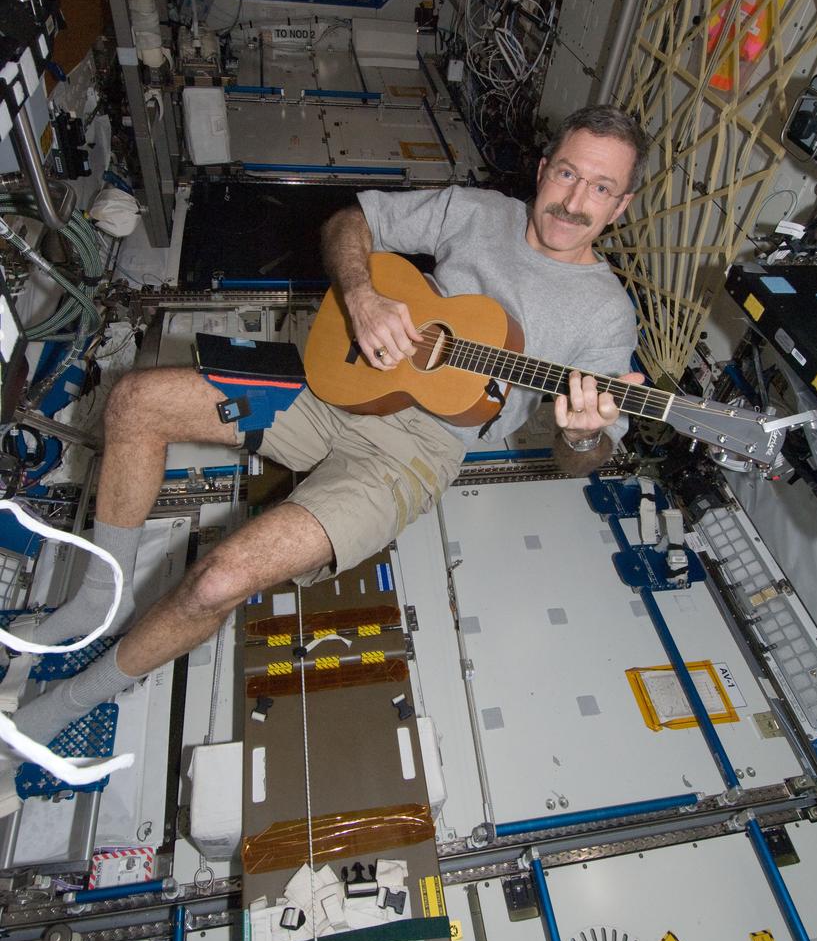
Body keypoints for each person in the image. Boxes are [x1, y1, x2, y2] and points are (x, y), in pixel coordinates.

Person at [10, 105, 648, 751]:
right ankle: (99, 600)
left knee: (218, 581)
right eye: (567, 174)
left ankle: (67, 703)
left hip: (418, 453)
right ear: (543, 171)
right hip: (344, 380)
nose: (574, 201)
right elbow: (353, 219)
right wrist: (363, 295)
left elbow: (582, 462)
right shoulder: (481, 212)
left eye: (600, 188)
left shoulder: (604, 314)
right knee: (133, 400)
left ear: (620, 205)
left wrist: (583, 435)